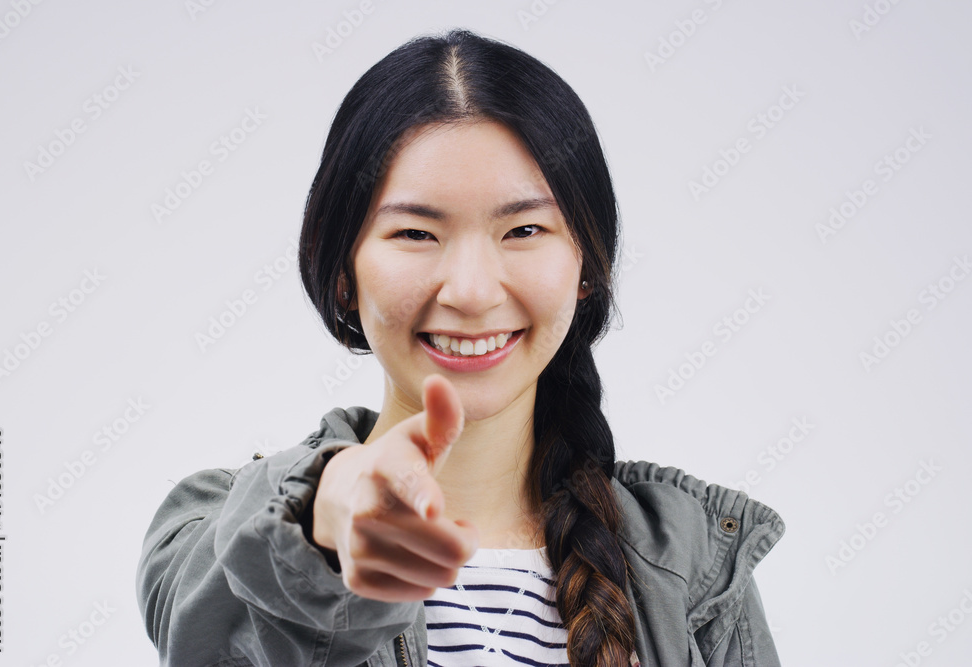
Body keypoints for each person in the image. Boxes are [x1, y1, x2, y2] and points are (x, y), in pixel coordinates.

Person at [136, 28, 785, 667]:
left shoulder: (694, 564)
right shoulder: (216, 528)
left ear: (585, 269)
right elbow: (206, 640)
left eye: (524, 228)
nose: (472, 292)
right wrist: (324, 521)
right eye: (417, 232)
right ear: (343, 270)